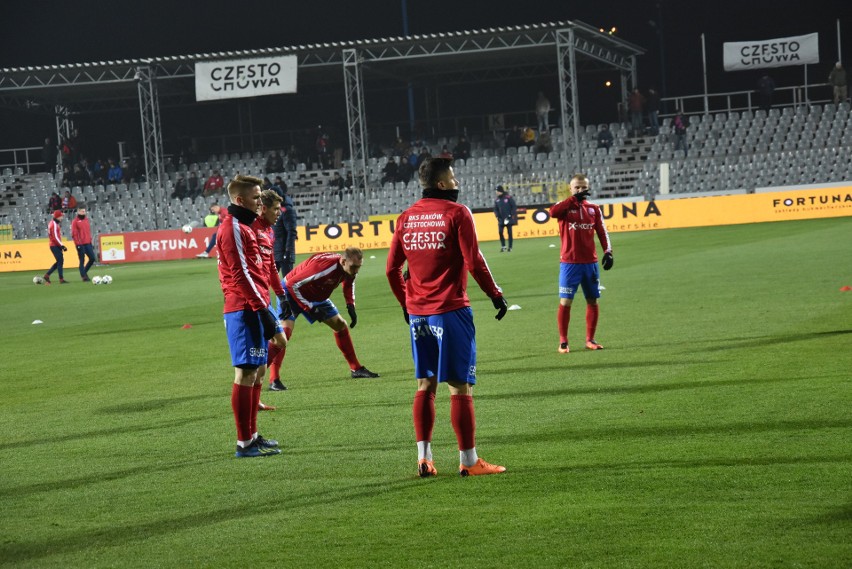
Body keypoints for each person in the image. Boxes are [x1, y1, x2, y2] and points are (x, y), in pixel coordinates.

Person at [386, 157, 509, 478]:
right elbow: (474, 261)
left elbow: (391, 270)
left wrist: (407, 303)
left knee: (425, 384)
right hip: (451, 310)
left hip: (419, 315)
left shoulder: (406, 217)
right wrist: (496, 295)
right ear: (441, 184)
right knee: (459, 387)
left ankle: (424, 458)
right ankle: (469, 461)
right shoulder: (457, 213)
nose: (457, 183)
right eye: (453, 178)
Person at [216, 174, 288, 458]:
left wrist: (273, 299)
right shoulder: (233, 228)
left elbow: (260, 271)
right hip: (244, 307)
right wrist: (266, 313)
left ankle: (253, 436)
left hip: (255, 305)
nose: (261, 202)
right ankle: (244, 443)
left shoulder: (247, 227)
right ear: (240, 200)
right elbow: (242, 275)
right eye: (257, 197)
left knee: (255, 374)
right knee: (245, 373)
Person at [265, 247, 379, 391]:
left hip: (316, 295)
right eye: (354, 267)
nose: (356, 270)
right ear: (343, 261)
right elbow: (291, 284)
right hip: (291, 294)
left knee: (340, 325)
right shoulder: (324, 267)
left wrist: (350, 304)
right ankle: (273, 380)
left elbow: (349, 282)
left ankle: (356, 369)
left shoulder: (348, 267)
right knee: (284, 335)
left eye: (359, 267)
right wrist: (310, 308)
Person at [549, 173, 613, 354]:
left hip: (590, 263)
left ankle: (590, 340)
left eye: (583, 187)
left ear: (588, 188)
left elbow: (602, 232)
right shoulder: (563, 208)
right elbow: (552, 212)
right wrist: (572, 200)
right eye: (577, 187)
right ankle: (563, 341)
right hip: (570, 264)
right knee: (566, 301)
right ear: (570, 188)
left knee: (592, 300)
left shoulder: (594, 208)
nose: (580, 190)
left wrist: (608, 252)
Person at [253, 190, 290, 394]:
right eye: (276, 209)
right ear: (264, 208)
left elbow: (271, 268)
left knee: (279, 340)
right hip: (252, 299)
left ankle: (254, 392)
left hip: (265, 297)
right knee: (259, 352)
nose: (279, 213)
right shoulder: (250, 229)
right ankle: (252, 394)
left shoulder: (269, 231)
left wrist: (281, 295)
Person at [272, 185, 298, 276]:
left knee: (288, 282)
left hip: (284, 252)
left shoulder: (288, 211)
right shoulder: (273, 210)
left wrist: (288, 251)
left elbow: (292, 232)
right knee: (267, 280)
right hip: (274, 251)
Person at [43, 210, 68, 284]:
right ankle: (61, 279)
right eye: (61, 216)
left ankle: (47, 275)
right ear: (57, 217)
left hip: (54, 245)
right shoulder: (53, 224)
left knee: (59, 261)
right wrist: (62, 245)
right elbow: (55, 237)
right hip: (54, 245)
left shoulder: (52, 223)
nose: (62, 218)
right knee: (60, 261)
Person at [71, 207, 95, 281]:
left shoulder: (86, 220)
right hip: (80, 244)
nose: (83, 213)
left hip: (88, 243)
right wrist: (78, 244)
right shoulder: (75, 221)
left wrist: (90, 241)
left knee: (92, 258)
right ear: (78, 212)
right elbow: (74, 234)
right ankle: (83, 276)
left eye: (84, 211)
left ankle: (84, 272)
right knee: (82, 260)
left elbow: (88, 232)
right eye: (82, 211)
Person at [493, 185, 517, 252]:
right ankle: (503, 246)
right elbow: (495, 209)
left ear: (500, 191)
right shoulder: (497, 200)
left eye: (497, 191)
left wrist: (510, 215)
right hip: (501, 219)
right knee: (500, 232)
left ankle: (510, 247)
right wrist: (497, 215)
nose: (496, 192)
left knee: (509, 233)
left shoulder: (508, 198)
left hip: (508, 218)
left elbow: (514, 207)